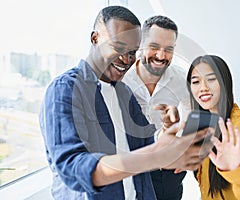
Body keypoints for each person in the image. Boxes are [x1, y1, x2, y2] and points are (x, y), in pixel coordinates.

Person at [39, 6, 205, 200]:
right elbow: (72, 167)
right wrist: (152, 156)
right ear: (95, 39)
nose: (125, 59)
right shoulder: (65, 89)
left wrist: (171, 146)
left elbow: (145, 146)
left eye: (132, 52)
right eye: (118, 47)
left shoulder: (124, 92)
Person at [186, 55, 240, 199]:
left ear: (224, 81)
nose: (203, 88)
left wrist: (236, 170)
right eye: (196, 82)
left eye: (211, 79)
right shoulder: (203, 124)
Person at [122, 15, 190, 200]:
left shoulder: (182, 80)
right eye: (154, 47)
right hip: (128, 169)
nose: (161, 56)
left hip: (165, 174)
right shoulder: (121, 79)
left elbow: (199, 116)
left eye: (168, 49)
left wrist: (189, 152)